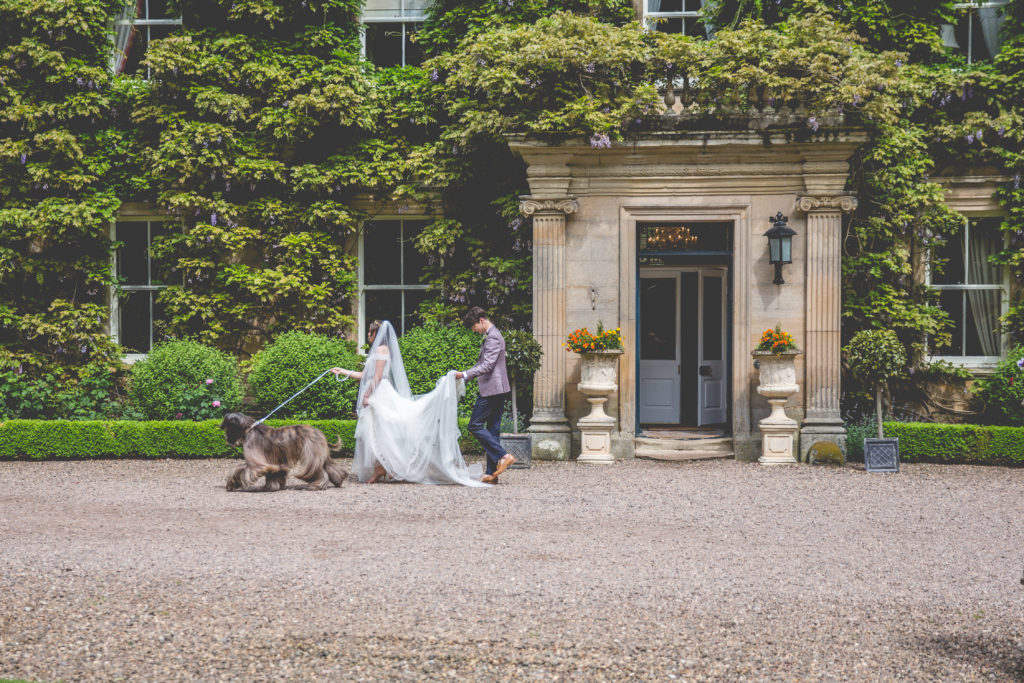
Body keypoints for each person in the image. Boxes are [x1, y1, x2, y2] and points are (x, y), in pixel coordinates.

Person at [331, 320, 487, 487]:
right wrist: (343, 372)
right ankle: (382, 467)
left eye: (369, 333)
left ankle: (385, 467)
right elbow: (365, 374)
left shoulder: (381, 349)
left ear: (375, 333)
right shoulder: (378, 350)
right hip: (378, 390)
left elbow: (376, 377)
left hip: (380, 392)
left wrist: (367, 395)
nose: (368, 336)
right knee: (376, 430)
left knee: (381, 429)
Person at [455, 306, 515, 484]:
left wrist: (465, 374)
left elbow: (487, 365)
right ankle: (491, 474)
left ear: (481, 320)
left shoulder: (493, 336)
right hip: (498, 389)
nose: (474, 330)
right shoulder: (493, 335)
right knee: (493, 430)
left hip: (492, 390)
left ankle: (503, 456)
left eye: (474, 326)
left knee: (474, 425)